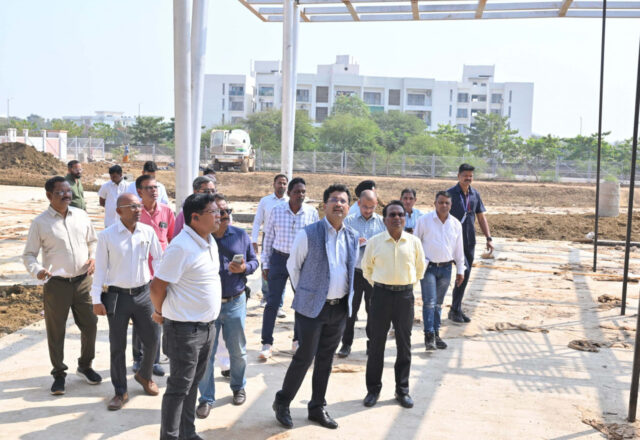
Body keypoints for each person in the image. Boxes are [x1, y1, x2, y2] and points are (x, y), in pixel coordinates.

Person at [272, 184, 359, 430]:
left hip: (339, 308)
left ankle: (317, 407)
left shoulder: (352, 236)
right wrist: (308, 294)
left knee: (326, 359)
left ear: (348, 207)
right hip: (312, 308)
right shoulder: (308, 233)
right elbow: (293, 267)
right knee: (304, 356)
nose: (339, 204)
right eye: (334, 200)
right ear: (324, 205)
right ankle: (282, 402)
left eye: (343, 201)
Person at [150, 192, 222, 440]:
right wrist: (160, 312)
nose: (219, 216)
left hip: (207, 328)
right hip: (184, 331)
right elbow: (157, 287)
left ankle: (187, 433)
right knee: (179, 388)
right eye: (213, 212)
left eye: (219, 211)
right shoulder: (181, 247)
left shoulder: (209, 241)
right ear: (195, 217)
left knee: (192, 385)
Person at [22, 176, 101, 395]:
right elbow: (29, 254)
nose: (67, 195)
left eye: (68, 191)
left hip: (83, 281)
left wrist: (93, 257)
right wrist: (37, 270)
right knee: (56, 331)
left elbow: (93, 241)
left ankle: (85, 366)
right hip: (56, 285)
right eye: (60, 192)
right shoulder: (40, 223)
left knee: (90, 324)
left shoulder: (81, 215)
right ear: (49, 195)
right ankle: (58, 373)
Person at [91, 193, 163, 410]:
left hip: (144, 294)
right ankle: (120, 391)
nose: (138, 210)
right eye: (132, 206)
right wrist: (96, 299)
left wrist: (160, 288)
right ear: (119, 211)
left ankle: (144, 375)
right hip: (118, 297)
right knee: (117, 346)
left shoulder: (147, 231)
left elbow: (158, 260)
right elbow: (100, 269)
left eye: (139, 206)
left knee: (153, 339)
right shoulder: (107, 236)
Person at [196, 194, 258, 419]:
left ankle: (238, 387)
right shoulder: (203, 238)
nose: (225, 216)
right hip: (208, 306)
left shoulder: (240, 235)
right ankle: (206, 398)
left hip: (235, 302)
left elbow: (254, 261)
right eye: (220, 212)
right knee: (206, 355)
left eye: (227, 211)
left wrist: (244, 269)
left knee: (238, 351)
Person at [361, 200, 425, 409]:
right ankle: (373, 390)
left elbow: (420, 269)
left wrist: (406, 285)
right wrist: (382, 285)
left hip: (405, 297)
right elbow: (367, 269)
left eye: (400, 214)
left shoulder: (414, 242)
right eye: (392, 215)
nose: (397, 218)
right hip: (381, 296)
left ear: (405, 218)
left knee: (404, 345)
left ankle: (402, 390)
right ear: (385, 219)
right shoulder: (375, 242)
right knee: (376, 344)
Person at [259, 177, 319, 360]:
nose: (300, 195)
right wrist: (265, 263)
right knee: (272, 302)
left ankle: (297, 340)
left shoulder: (311, 213)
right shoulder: (277, 211)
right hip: (278, 260)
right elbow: (268, 238)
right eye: (297, 192)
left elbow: (315, 241)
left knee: (301, 303)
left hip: (301, 262)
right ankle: (266, 343)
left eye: (303, 192)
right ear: (289, 193)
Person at [131, 174, 175, 376]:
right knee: (140, 318)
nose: (154, 191)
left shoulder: (166, 211)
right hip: (140, 273)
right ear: (139, 191)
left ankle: (154, 360)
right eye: (149, 188)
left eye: (155, 187)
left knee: (158, 316)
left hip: (161, 273)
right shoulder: (135, 212)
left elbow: (172, 239)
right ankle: (138, 358)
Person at [414, 191, 465, 351]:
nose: (444, 205)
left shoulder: (456, 224)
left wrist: (460, 270)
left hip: (446, 268)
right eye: (441, 202)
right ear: (435, 203)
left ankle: (436, 334)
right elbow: (415, 243)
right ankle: (429, 335)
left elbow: (459, 249)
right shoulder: (424, 221)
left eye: (447, 203)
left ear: (451, 205)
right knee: (429, 302)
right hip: (428, 268)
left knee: (438, 304)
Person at [337, 189, 384, 358]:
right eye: (365, 207)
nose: (368, 210)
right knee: (351, 310)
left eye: (371, 207)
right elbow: (341, 244)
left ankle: (372, 344)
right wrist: (355, 242)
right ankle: (346, 344)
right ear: (358, 204)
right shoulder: (349, 221)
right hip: (355, 273)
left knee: (373, 311)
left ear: (376, 205)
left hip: (374, 275)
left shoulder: (382, 223)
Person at [447, 163, 494, 323]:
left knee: (465, 274)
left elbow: (481, 217)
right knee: (463, 272)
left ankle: (456, 309)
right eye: (465, 175)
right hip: (453, 241)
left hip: (469, 240)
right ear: (458, 176)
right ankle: (454, 309)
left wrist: (488, 238)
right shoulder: (449, 194)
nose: (468, 178)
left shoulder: (475, 194)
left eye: (470, 176)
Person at [251, 174, 289, 310]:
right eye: (279, 183)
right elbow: (257, 221)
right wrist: (254, 240)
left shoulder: (289, 201)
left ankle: (279, 304)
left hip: (283, 238)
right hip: (267, 237)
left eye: (284, 183)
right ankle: (266, 296)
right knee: (266, 267)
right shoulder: (265, 201)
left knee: (281, 270)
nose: (282, 186)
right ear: (274, 184)